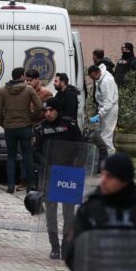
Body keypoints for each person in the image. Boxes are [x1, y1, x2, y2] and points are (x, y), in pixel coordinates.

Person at [64, 153, 136, 270]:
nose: (103, 180)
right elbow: (73, 253)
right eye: (102, 174)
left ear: (124, 180)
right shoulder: (92, 206)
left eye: (109, 177)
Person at [33, 97, 84, 259]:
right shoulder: (41, 129)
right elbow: (35, 151)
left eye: (51, 110)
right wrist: (45, 162)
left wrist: (78, 164)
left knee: (69, 212)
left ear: (57, 110)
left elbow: (82, 146)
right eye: (45, 111)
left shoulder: (69, 125)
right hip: (50, 175)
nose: (48, 114)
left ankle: (66, 245)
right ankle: (54, 246)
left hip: (69, 174)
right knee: (51, 213)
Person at [0, 67, 42, 193]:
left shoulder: (3, 90)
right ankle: (30, 186)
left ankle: (10, 186)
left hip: (9, 128)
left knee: (11, 157)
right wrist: (31, 118)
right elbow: (39, 106)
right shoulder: (29, 89)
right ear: (22, 76)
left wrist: (3, 123)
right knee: (27, 156)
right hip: (25, 127)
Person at [87, 65, 118, 155]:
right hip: (105, 108)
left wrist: (99, 114)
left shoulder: (106, 81)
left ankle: (110, 159)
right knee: (101, 135)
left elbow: (108, 102)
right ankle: (104, 157)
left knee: (106, 136)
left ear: (98, 72)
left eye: (94, 77)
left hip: (110, 109)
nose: (94, 79)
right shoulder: (100, 77)